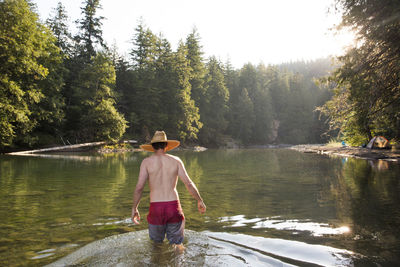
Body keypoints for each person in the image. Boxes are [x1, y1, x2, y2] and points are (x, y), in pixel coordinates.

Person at [131, 130, 206, 248]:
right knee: (177, 245)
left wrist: (134, 208)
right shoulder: (176, 161)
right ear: (166, 145)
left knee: (156, 246)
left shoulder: (146, 162)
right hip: (173, 207)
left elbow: (139, 188)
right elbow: (189, 184)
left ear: (152, 146)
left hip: (155, 208)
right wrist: (199, 200)